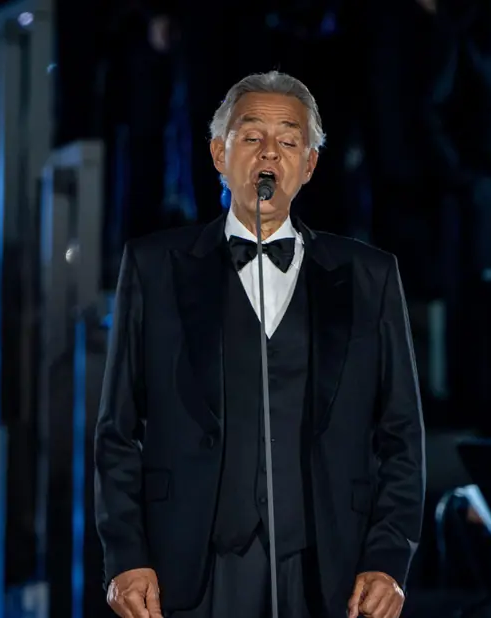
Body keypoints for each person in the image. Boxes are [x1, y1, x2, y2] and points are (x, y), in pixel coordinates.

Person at [94, 71, 425, 618]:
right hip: (189, 573)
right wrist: (126, 555)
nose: (270, 152)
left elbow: (402, 437)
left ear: (310, 165)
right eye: (251, 137)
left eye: (289, 140)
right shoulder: (154, 267)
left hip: (328, 574)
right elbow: (117, 432)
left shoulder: (370, 276)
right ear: (219, 154)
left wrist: (388, 559)